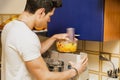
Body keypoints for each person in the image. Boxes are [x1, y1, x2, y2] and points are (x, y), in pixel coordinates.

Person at [1, 0, 88, 80]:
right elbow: (44, 76)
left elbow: (31, 51)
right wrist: (76, 70)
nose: (49, 20)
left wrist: (54, 37)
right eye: (49, 15)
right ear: (41, 12)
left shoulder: (9, 27)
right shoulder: (26, 36)